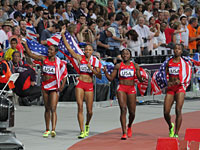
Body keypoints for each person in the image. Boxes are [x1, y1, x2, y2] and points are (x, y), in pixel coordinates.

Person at [61, 27, 102, 139]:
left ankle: (87, 124)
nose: (87, 51)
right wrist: (63, 35)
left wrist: (91, 68)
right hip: (80, 84)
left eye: (89, 50)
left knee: (89, 111)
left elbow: (99, 75)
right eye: (86, 50)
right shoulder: (80, 58)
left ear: (92, 51)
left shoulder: (95, 61)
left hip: (89, 85)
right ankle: (82, 130)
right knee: (80, 107)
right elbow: (69, 48)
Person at [21, 40, 67, 138]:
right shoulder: (43, 59)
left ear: (55, 52)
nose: (48, 51)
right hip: (45, 86)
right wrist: (25, 45)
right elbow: (30, 54)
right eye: (48, 49)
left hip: (54, 86)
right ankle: (47, 129)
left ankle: (53, 129)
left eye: (51, 50)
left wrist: (62, 85)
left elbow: (64, 74)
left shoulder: (59, 63)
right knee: (47, 108)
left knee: (53, 108)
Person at [103, 49, 144, 140]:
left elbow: (139, 79)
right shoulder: (118, 66)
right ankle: (124, 132)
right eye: (123, 54)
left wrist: (143, 78)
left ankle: (129, 126)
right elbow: (111, 78)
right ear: (121, 56)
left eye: (127, 54)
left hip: (131, 89)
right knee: (123, 109)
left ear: (130, 55)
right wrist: (105, 72)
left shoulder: (135, 66)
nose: (125, 55)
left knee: (132, 112)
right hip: (121, 88)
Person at [164, 44, 191, 138]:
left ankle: (176, 133)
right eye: (175, 49)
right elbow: (166, 74)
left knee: (178, 110)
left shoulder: (184, 63)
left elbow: (188, 75)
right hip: (171, 88)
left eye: (179, 49)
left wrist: (181, 81)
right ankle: (170, 126)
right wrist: (167, 82)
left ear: (181, 51)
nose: (177, 50)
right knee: (166, 112)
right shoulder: (169, 62)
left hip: (180, 88)